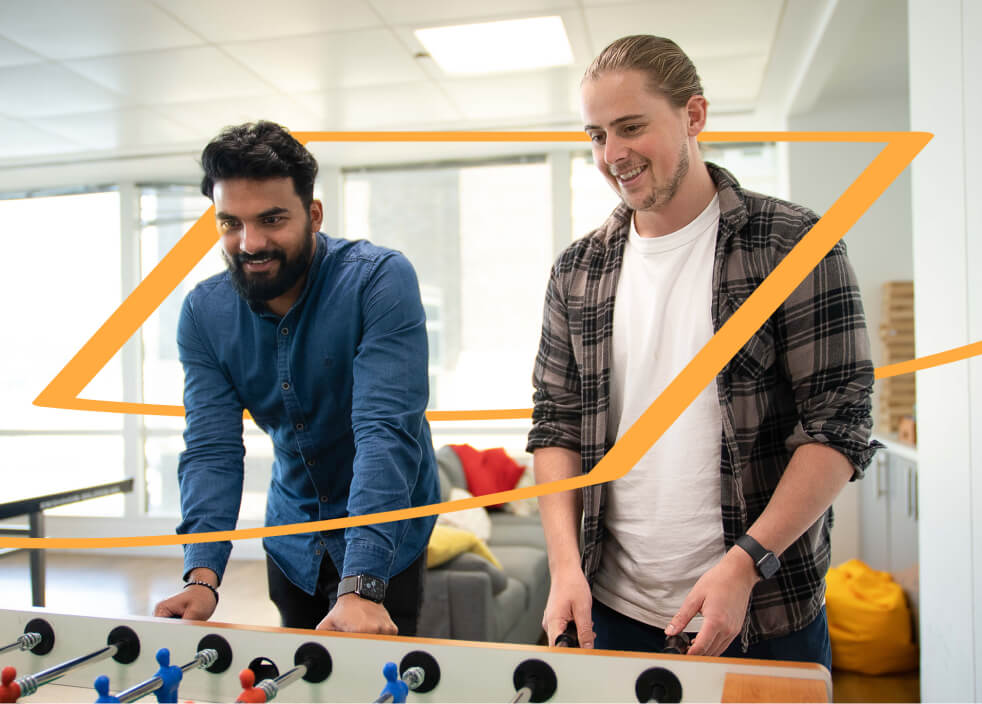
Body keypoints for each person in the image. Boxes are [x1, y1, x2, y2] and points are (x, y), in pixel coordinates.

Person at [527, 35, 879, 667]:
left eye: (631, 127)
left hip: (765, 609)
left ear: (693, 116)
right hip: (611, 613)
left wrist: (745, 566)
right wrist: (562, 568)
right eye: (597, 135)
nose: (613, 155)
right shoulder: (576, 271)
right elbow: (555, 424)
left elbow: (838, 426)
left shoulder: (794, 245)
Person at [153, 121, 439, 636]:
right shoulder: (204, 313)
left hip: (387, 536)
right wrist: (202, 575)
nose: (251, 242)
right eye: (231, 224)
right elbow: (211, 447)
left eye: (271, 219)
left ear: (313, 214)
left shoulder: (378, 280)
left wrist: (363, 584)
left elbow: (385, 433)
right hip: (293, 537)